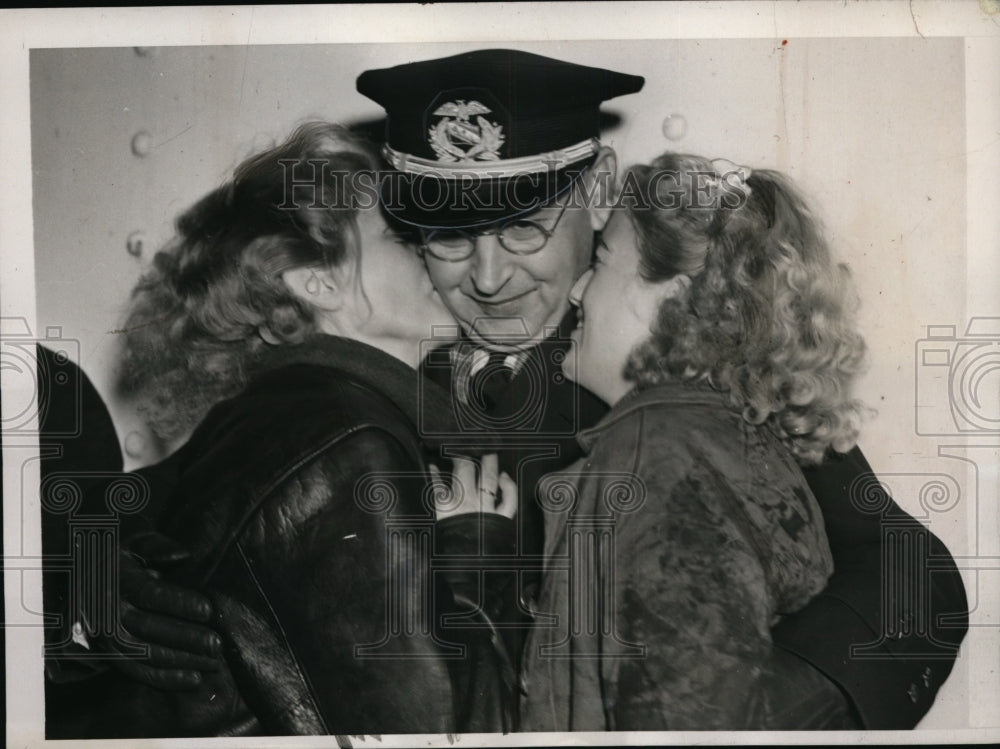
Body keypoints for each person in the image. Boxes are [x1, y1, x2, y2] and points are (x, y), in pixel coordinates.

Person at [355, 48, 969, 729]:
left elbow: (917, 580)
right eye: (451, 241)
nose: (489, 277)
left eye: (525, 228)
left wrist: (743, 717)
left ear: (596, 190)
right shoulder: (391, 393)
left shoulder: (690, 366)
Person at [59, 121, 518, 738]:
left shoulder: (279, 414)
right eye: (403, 239)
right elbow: (442, 728)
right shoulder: (355, 438)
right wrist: (472, 559)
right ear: (318, 281)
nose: (436, 253)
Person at [519, 152, 868, 729]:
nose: (578, 291)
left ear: (674, 300)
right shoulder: (723, 435)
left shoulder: (660, 452)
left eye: (602, 262)